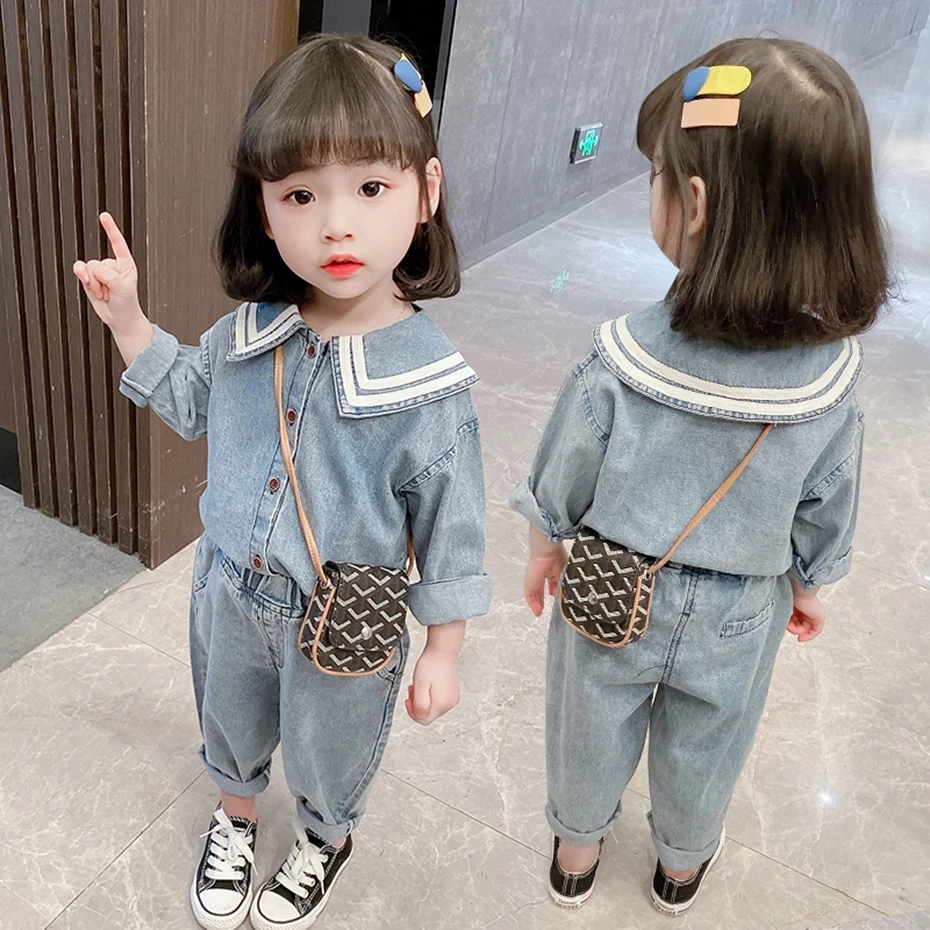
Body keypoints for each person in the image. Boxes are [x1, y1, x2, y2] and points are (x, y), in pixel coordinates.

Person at [74, 35, 491, 930]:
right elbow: (192, 400)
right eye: (301, 194)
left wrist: (444, 650)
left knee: (331, 743)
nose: (336, 224)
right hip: (229, 591)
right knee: (227, 716)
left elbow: (453, 528)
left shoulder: (430, 388)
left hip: (344, 616)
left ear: (426, 191)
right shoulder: (246, 335)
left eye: (370, 188)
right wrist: (130, 320)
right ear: (264, 211)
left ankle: (323, 838)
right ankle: (234, 816)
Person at [510, 37, 889, 916]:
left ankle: (576, 848)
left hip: (611, 586)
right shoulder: (830, 383)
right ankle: (680, 866)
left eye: (656, 174)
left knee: (586, 719)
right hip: (740, 608)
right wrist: (811, 586)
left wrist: (542, 547)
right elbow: (829, 499)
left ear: (696, 203)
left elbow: (564, 468)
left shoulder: (623, 357)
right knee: (712, 740)